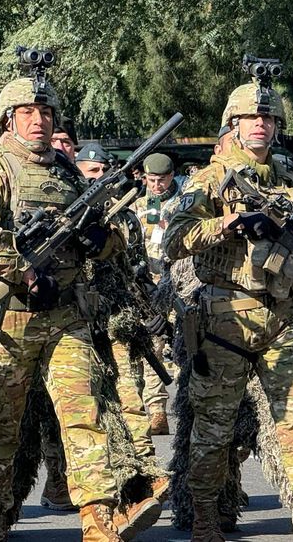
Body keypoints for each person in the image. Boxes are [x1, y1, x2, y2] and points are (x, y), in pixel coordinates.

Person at [0, 75, 159, 542]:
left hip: (66, 316)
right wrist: (21, 269)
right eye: (27, 113)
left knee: (86, 417)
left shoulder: (66, 173)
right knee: (0, 429)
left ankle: (97, 519)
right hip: (8, 319)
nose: (39, 121)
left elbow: (112, 238)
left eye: (46, 114)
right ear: (8, 118)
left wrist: (101, 241)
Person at [163, 77, 293, 541]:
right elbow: (175, 241)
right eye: (251, 118)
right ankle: (203, 518)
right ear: (233, 124)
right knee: (213, 430)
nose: (261, 125)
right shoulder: (211, 178)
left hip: (282, 318)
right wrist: (229, 222)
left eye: (268, 118)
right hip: (224, 320)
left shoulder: (289, 181)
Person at [131, 153, 181, 435]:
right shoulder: (139, 206)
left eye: (161, 180)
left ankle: (189, 406)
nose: (156, 185)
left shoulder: (185, 203)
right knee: (153, 348)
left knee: (182, 347)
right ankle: (156, 409)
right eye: (151, 180)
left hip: (179, 284)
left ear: (171, 176)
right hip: (149, 286)